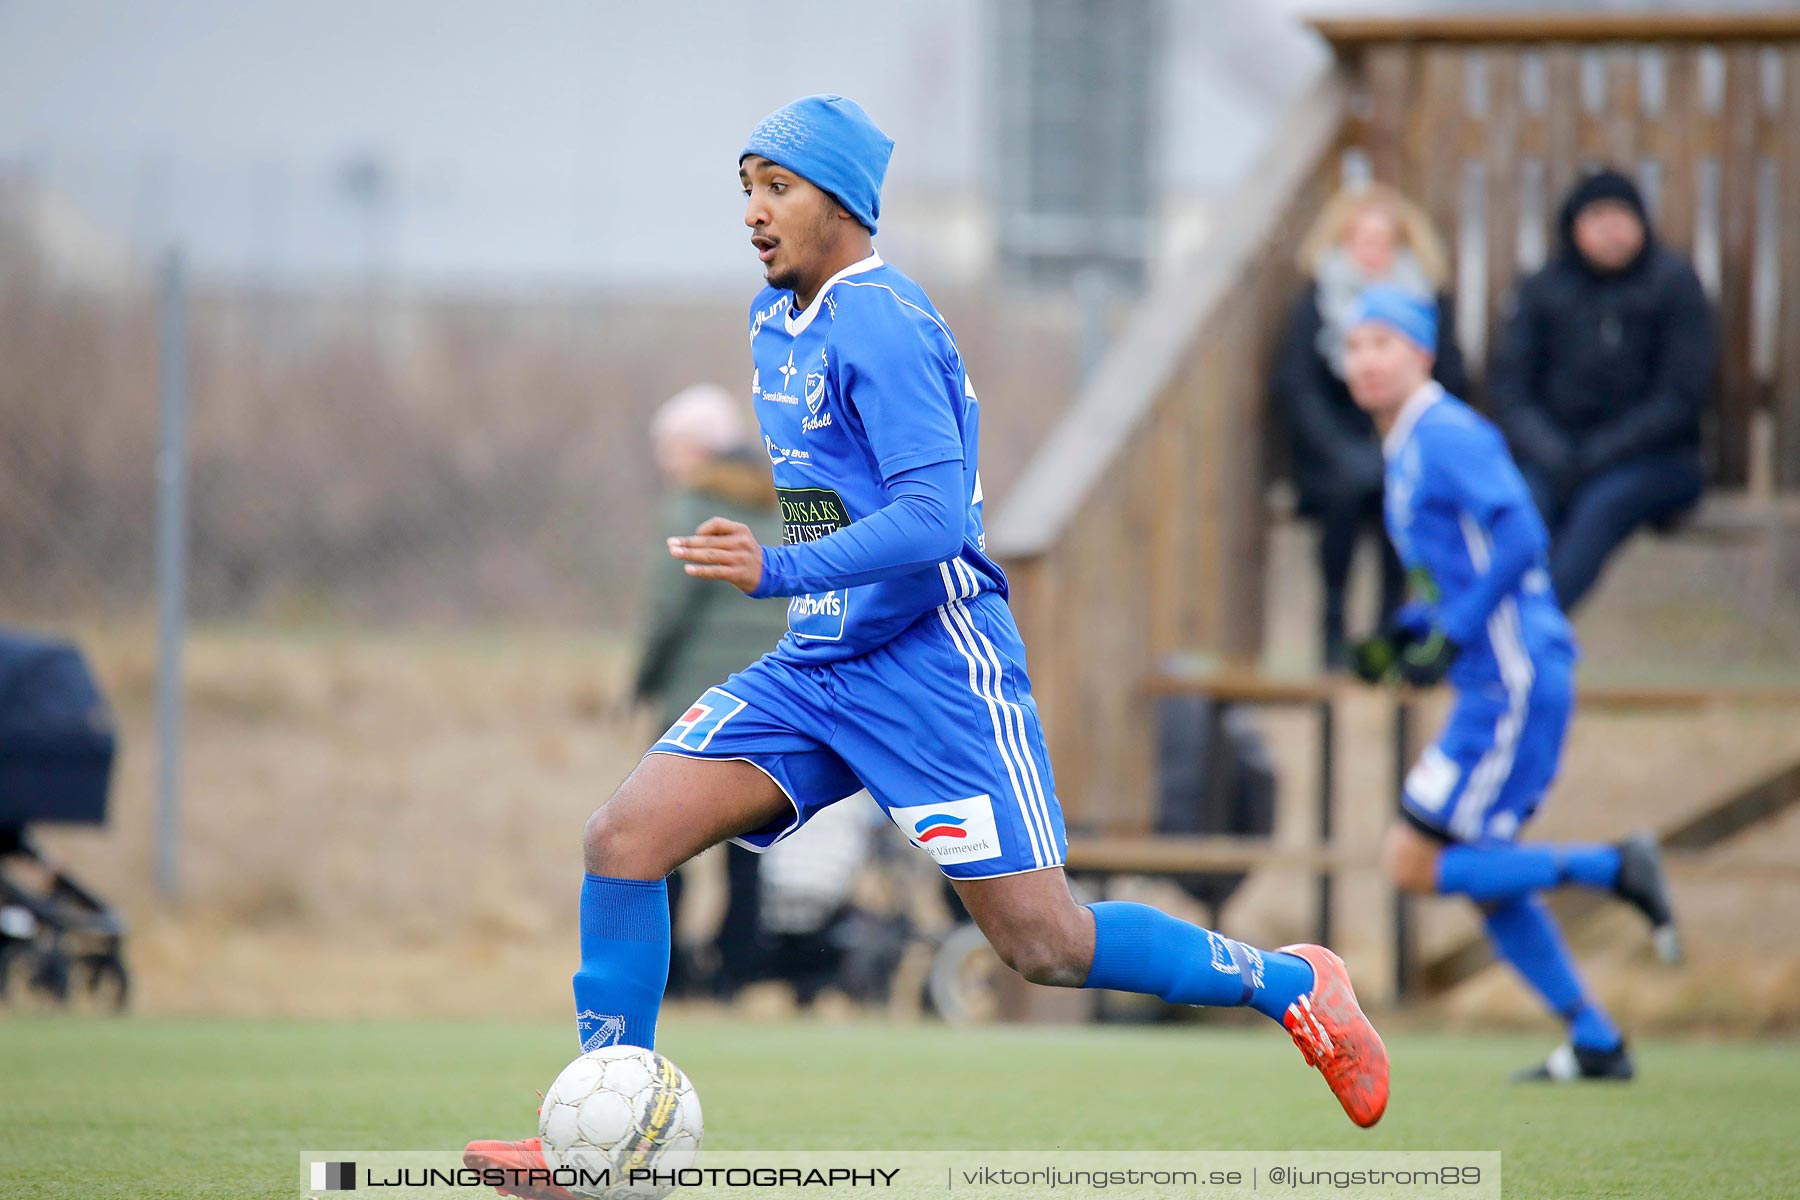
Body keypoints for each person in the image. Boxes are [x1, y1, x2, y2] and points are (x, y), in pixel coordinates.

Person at [466, 95, 1389, 1195]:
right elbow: (833, 493)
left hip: (934, 672)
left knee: (1044, 945)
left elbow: (935, 520)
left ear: (845, 204)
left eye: (779, 189)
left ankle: (1292, 983)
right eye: (746, 191)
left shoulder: (886, 322)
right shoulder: (777, 322)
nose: (755, 214)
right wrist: (789, 563)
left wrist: (779, 566)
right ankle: (597, 1145)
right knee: (623, 838)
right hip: (819, 671)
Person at [1342, 285, 1682, 1083]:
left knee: (1413, 862)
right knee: (1482, 874)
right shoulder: (1407, 443)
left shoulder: (1447, 431)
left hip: (1514, 680)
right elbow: (1453, 568)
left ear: (1422, 353)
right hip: (1493, 684)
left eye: (1383, 343)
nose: (1365, 360)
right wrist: (1408, 632)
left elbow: (1524, 533)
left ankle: (1614, 867)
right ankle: (1595, 1040)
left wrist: (1456, 628)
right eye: (1354, 347)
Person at [1489, 168, 1715, 613]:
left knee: (1602, 505)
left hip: (1654, 461)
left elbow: (1681, 398)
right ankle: (1500, 627)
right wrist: (1554, 452)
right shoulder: (1542, 290)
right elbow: (1511, 390)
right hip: (1554, 457)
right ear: (1574, 227)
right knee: (1522, 509)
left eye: (1622, 215)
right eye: (1597, 216)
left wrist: (1599, 454)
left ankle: (1530, 629)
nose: (1611, 229)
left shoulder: (1674, 285)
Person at [631, 384, 789, 1000]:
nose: (665, 462)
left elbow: (665, 612)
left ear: (700, 447)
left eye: (669, 448)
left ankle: (668, 975)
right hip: (777, 696)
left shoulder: (691, 508)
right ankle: (735, 971)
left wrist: (642, 682)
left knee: (666, 834)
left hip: (698, 704)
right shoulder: (785, 505)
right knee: (751, 846)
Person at [1274, 184, 1469, 670]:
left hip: (1403, 445)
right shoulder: (1319, 299)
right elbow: (1297, 387)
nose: (1372, 252)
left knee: (1398, 496)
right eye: (1361, 239)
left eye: (1383, 241)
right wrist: (1339, 448)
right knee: (1346, 490)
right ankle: (1334, 625)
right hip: (1332, 450)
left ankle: (1391, 624)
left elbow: (1449, 377)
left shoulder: (1426, 300)